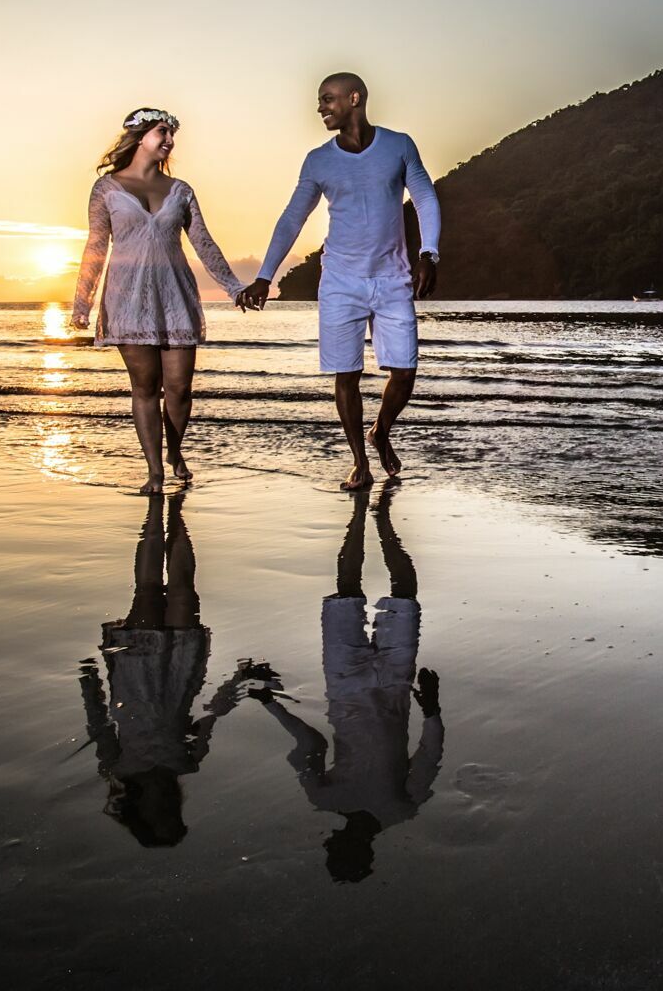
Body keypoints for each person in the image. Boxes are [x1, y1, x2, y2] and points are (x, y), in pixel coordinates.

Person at [237, 74, 439, 490]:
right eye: (319, 100)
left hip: (393, 277)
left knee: (404, 371)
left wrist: (428, 253)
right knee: (345, 374)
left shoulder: (399, 145)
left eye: (327, 99)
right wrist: (264, 276)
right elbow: (294, 217)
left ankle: (380, 431)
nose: (320, 107)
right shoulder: (318, 160)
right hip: (340, 282)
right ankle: (360, 463)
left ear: (355, 98)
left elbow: (424, 197)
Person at [245, 485, 443, 881]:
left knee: (346, 591)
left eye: (332, 849)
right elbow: (427, 755)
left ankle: (357, 519)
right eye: (337, 850)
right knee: (404, 595)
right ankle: (383, 523)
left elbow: (309, 744)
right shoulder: (401, 809)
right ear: (363, 854)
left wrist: (273, 705)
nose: (331, 842)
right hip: (389, 687)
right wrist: (433, 709)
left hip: (348, 683)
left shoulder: (325, 798)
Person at [72, 107, 250, 494]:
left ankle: (175, 451)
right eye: (162, 132)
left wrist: (234, 287)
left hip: (176, 296)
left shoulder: (181, 190)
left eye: (171, 134)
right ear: (139, 137)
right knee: (145, 388)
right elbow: (96, 245)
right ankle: (154, 471)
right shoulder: (106, 188)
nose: (169, 140)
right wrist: (82, 303)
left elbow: (203, 243)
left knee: (181, 389)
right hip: (127, 299)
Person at [77, 494, 244, 847]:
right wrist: (239, 679)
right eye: (174, 816)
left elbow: (99, 725)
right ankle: (178, 514)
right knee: (183, 592)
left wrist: (88, 682)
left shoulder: (116, 769)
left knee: (149, 591)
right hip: (181, 674)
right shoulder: (187, 764)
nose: (169, 809)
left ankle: (155, 513)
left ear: (141, 815)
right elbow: (213, 714)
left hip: (135, 674)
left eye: (162, 817)